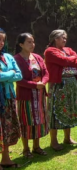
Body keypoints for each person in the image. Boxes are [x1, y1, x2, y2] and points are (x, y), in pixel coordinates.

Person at [44, 29, 77, 151]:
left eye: (65, 38)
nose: (65, 40)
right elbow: (64, 61)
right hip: (58, 85)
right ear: (55, 39)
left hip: (71, 84)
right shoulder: (50, 51)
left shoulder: (68, 50)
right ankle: (54, 141)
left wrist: (70, 59)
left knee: (70, 109)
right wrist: (71, 59)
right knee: (55, 111)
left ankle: (67, 138)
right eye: (63, 37)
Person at [14, 33, 49, 158]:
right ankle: (26, 149)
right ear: (21, 44)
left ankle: (36, 146)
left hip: (39, 96)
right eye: (29, 42)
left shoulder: (37, 57)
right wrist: (34, 85)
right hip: (26, 97)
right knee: (26, 120)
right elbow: (18, 79)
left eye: (33, 42)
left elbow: (46, 73)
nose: (32, 44)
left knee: (38, 120)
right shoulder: (17, 59)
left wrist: (43, 83)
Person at [0, 28, 22, 168]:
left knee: (7, 128)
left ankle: (5, 158)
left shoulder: (8, 57)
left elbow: (19, 75)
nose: (1, 43)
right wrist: (10, 74)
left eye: (3, 40)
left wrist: (4, 74)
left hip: (9, 98)